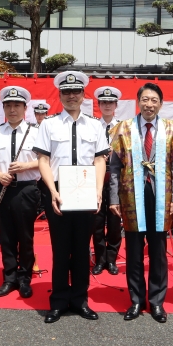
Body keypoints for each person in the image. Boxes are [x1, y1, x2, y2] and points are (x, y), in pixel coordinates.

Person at [33, 71, 109, 324]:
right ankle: (58, 301)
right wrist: (52, 191)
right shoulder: (48, 124)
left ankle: (79, 299)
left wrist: (98, 190)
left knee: (81, 247)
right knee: (60, 248)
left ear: (84, 95)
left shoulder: (96, 125)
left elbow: (99, 159)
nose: (72, 96)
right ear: (60, 95)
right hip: (58, 190)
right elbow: (43, 160)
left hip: (87, 189)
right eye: (66, 92)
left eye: (76, 91)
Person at [109, 83, 173, 323]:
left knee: (158, 250)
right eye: (145, 99)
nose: (149, 104)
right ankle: (135, 300)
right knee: (133, 250)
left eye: (154, 100)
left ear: (161, 104)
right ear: (138, 101)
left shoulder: (172, 130)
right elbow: (114, 167)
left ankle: (156, 301)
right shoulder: (123, 129)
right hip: (131, 194)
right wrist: (113, 198)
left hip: (160, 195)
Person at [0, 86, 41, 299]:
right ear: (3, 108)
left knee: (25, 236)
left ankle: (25, 279)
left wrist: (26, 167)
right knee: (6, 236)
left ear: (25, 108)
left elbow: (46, 161)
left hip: (27, 189)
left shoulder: (37, 132)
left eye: (17, 105)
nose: (12, 109)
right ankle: (9, 278)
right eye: (8, 105)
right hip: (2, 188)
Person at [91, 86, 122, 276]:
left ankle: (111, 259)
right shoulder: (93, 126)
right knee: (96, 221)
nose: (107, 105)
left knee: (114, 222)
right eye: (104, 102)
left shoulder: (123, 127)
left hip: (116, 179)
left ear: (116, 104)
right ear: (99, 105)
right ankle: (100, 259)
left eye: (110, 102)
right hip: (95, 177)